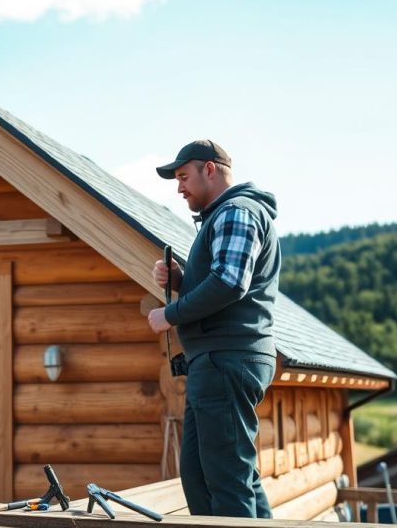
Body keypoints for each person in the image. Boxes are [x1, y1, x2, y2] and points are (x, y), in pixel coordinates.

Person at [147, 139, 281, 518]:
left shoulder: (236, 211)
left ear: (210, 169)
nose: (179, 187)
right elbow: (225, 279)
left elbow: (229, 282)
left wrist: (170, 314)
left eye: (183, 176)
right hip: (218, 361)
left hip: (225, 359)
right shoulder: (227, 215)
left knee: (224, 479)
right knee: (207, 473)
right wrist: (183, 277)